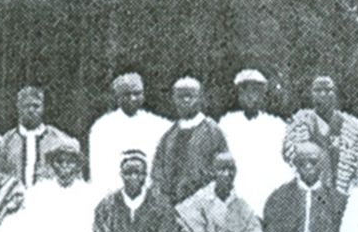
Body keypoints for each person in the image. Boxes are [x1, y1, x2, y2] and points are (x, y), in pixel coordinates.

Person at [218, 69, 292, 217]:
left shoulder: (276, 125)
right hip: (237, 196)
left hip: (268, 194)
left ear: (263, 96)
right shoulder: (227, 123)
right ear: (239, 96)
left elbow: (284, 166)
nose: (251, 98)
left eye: (256, 92)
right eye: (246, 93)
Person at [282, 75, 358, 196]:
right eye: (318, 90)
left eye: (328, 90)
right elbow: (288, 163)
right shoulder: (299, 124)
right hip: (308, 196)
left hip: (341, 194)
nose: (323, 94)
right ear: (311, 94)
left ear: (335, 94)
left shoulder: (350, 127)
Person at [88, 72, 170, 195]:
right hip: (115, 196)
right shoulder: (103, 127)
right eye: (126, 94)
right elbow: (99, 171)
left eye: (137, 93)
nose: (132, 98)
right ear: (117, 97)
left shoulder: (158, 124)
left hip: (149, 197)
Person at [151, 77, 229, 205]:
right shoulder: (169, 136)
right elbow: (157, 171)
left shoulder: (212, 131)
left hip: (203, 207)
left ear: (200, 98)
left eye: (190, 96)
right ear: (174, 100)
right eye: (181, 96)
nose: (186, 100)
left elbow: (224, 169)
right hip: (171, 208)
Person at [0, 86, 72, 187]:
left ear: (43, 108)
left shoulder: (59, 140)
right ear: (18, 108)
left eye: (36, 106)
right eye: (26, 106)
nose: (31, 110)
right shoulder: (6, 141)